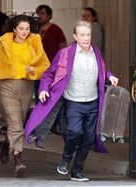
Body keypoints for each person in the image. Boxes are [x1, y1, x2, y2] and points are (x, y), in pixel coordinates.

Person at [25, 20, 119, 182]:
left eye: (88, 34)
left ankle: (77, 171)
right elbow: (49, 73)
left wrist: (110, 76)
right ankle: (66, 159)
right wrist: (43, 89)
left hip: (93, 102)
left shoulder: (96, 52)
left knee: (89, 138)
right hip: (73, 102)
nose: (86, 38)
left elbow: (103, 69)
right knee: (74, 132)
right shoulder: (65, 53)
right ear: (75, 36)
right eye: (82, 35)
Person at [0, 14, 50, 176]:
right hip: (6, 86)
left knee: (18, 121)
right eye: (21, 29)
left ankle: (7, 143)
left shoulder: (34, 43)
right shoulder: (4, 43)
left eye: (27, 29)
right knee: (16, 124)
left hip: (26, 86)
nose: (24, 32)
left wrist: (34, 71)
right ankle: (18, 160)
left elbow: (46, 66)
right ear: (14, 29)